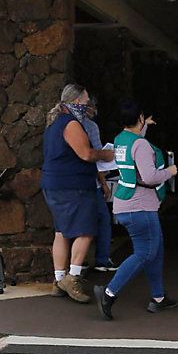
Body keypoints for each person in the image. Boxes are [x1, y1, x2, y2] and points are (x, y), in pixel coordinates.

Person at [95, 98, 178, 320]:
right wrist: (170, 171)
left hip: (124, 202)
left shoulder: (122, 139)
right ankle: (109, 292)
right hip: (140, 205)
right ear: (139, 118)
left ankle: (158, 298)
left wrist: (145, 125)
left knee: (155, 248)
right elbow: (150, 176)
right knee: (145, 252)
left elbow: (136, 146)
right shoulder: (140, 145)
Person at [42, 83, 114, 303]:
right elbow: (85, 153)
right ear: (74, 101)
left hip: (54, 183)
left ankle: (59, 278)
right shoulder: (71, 124)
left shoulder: (53, 123)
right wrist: (107, 155)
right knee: (86, 229)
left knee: (62, 231)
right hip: (72, 185)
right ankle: (72, 277)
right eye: (84, 102)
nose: (86, 106)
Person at [81, 97, 119, 273]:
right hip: (90, 181)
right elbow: (96, 156)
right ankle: (102, 259)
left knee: (74, 225)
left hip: (71, 181)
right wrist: (103, 182)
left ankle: (75, 265)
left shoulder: (61, 125)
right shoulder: (90, 126)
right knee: (103, 218)